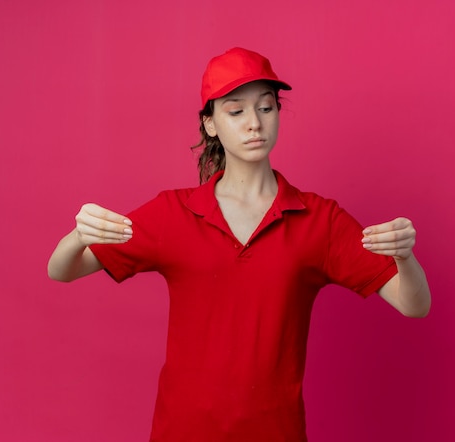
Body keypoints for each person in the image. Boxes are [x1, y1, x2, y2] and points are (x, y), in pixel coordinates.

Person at [47, 47, 431, 442]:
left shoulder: (320, 219)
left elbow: (414, 304)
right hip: (183, 432)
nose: (254, 124)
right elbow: (62, 271)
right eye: (236, 111)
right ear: (210, 123)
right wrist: (78, 236)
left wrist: (405, 258)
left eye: (266, 108)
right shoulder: (172, 213)